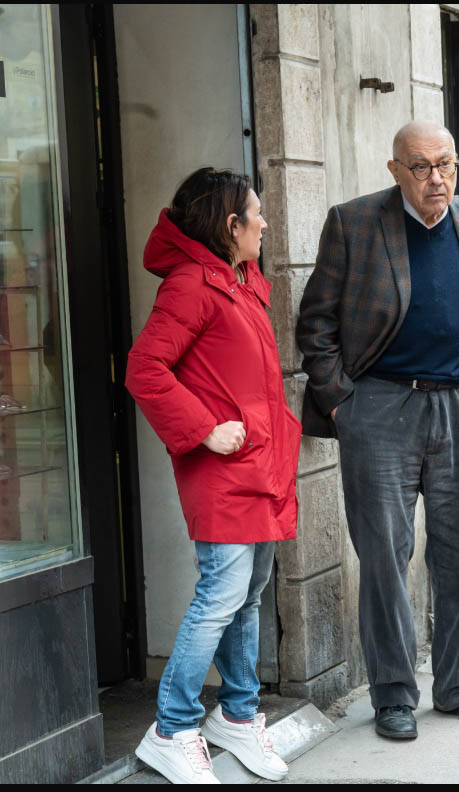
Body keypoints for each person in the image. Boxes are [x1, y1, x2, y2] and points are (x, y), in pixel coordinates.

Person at [295, 121, 459, 741]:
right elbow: (316, 323)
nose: (437, 178)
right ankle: (392, 693)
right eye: (421, 167)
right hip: (380, 408)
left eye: (445, 163)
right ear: (395, 171)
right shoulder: (355, 223)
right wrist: (341, 403)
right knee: (386, 558)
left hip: (458, 408)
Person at [126, 168, 300, 784]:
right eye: (257, 214)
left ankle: (238, 715)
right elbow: (145, 369)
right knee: (221, 596)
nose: (266, 223)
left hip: (259, 462)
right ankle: (171, 729)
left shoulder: (242, 279)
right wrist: (203, 428)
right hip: (223, 467)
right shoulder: (190, 286)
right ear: (231, 226)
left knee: (247, 594)